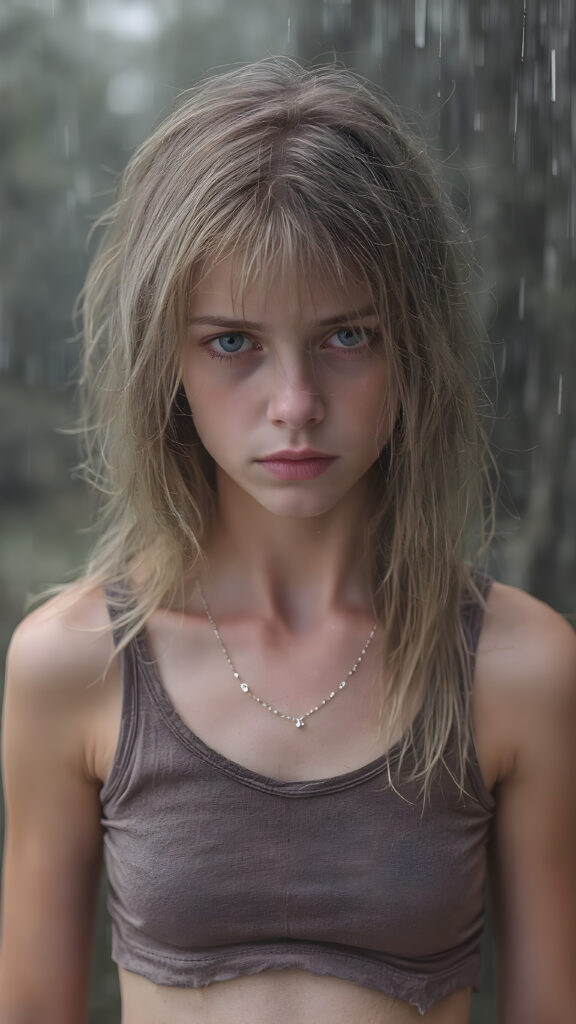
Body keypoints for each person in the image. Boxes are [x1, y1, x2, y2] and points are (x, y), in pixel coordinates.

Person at [1, 57, 575, 1024]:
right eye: (233, 342)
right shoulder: (75, 664)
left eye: (348, 336)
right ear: (163, 362)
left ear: (415, 346)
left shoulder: (519, 670)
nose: (296, 406)